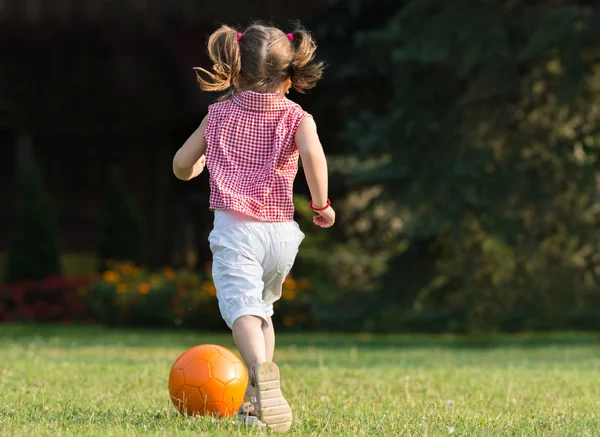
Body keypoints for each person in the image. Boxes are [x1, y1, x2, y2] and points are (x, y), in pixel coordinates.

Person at [172, 22, 334, 432]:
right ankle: (258, 401)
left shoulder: (220, 114)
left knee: (241, 308)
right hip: (281, 235)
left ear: (235, 69)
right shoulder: (298, 116)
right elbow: (314, 158)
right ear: (288, 74)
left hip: (236, 232)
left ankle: (261, 371)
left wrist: (197, 168)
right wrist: (322, 205)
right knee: (263, 310)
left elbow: (180, 164)